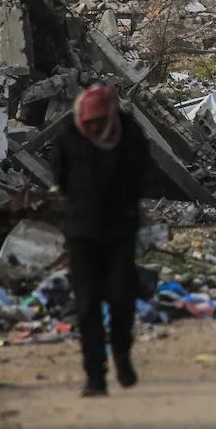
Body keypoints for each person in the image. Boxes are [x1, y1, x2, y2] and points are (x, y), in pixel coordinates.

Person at [53, 83, 148, 397]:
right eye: (88, 123)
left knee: (122, 298)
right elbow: (60, 178)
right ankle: (95, 376)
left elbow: (143, 175)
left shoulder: (129, 134)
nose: (93, 128)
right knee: (87, 305)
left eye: (99, 122)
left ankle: (121, 353)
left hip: (121, 230)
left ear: (110, 116)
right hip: (82, 233)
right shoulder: (69, 135)